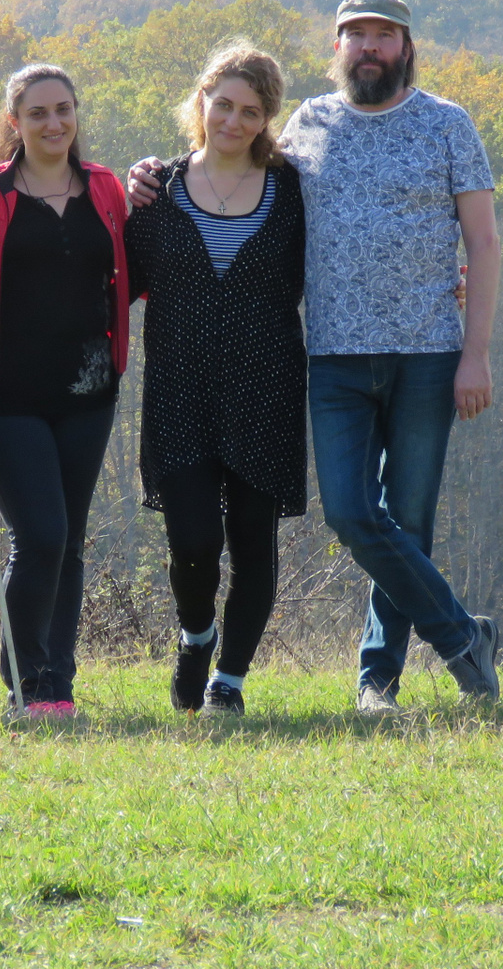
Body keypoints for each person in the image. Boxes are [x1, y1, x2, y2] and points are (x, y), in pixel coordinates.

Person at [129, 0, 503, 712]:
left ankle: (378, 680)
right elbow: (231, 167)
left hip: (428, 352)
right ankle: (463, 635)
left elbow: (484, 243)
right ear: (337, 48)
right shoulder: (309, 125)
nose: (370, 47)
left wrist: (476, 354)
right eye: (356, 35)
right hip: (333, 358)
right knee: (351, 514)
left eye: (384, 35)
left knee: (409, 521)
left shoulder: (447, 124)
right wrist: (148, 174)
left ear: (406, 48)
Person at [124, 43, 307, 716]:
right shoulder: (156, 190)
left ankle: (229, 680)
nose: (233, 120)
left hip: (267, 391)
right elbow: (113, 280)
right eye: (223, 104)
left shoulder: (293, 192)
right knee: (194, 540)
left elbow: (342, 268)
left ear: (267, 120)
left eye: (250, 111)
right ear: (201, 102)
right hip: (179, 393)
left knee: (254, 544)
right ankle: (196, 634)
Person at [0, 65, 130, 719]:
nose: (53, 123)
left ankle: (58, 683)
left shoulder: (106, 189)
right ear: (15, 122)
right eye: (37, 113)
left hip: (90, 393)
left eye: (63, 110)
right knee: (43, 536)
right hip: (8, 399)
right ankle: (25, 680)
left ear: (76, 114)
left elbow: (134, 272)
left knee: (70, 541)